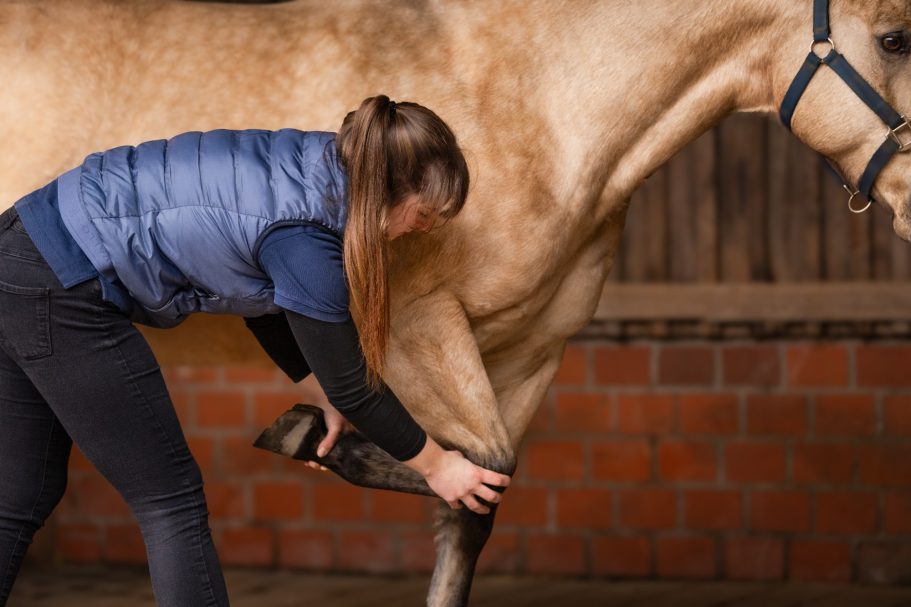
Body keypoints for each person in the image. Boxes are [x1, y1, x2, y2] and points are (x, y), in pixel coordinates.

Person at [0, 94, 511, 606]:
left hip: (20, 249)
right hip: (60, 282)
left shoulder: (315, 168)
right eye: (423, 214)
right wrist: (439, 467)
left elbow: (260, 299)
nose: (422, 229)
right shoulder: (308, 237)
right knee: (170, 500)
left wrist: (320, 392)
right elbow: (355, 389)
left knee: (20, 495)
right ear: (387, 189)